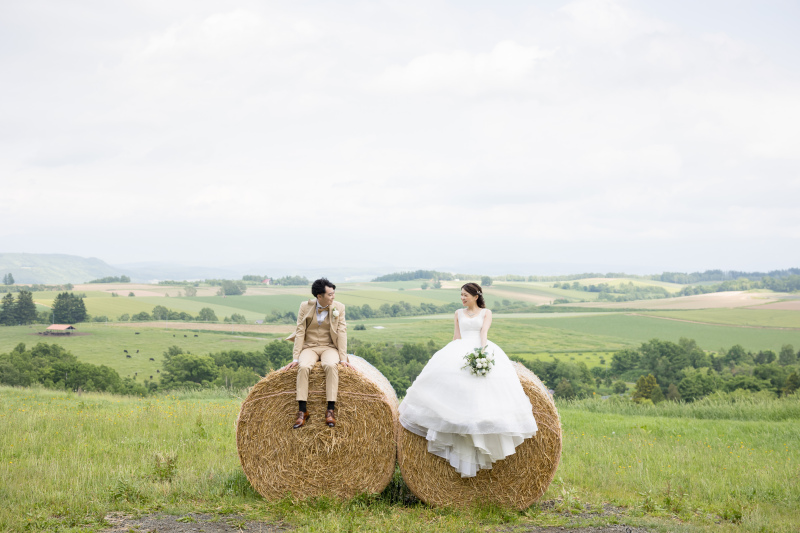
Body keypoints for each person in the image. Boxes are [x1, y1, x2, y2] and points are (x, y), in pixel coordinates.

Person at [399, 282, 538, 477]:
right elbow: (456, 336)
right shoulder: (458, 313)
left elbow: (483, 333)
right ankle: (454, 426)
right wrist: (449, 356)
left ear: (475, 296)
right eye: (461, 295)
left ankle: (481, 431)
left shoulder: (486, 313)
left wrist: (482, 354)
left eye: (465, 295)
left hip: (479, 348)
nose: (462, 298)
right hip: (460, 349)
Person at [285, 278, 351, 429]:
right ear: (319, 296)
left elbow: (342, 333)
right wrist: (295, 358)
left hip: (329, 347)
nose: (333, 296)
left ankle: (330, 410)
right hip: (309, 346)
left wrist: (343, 358)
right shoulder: (304, 306)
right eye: (330, 294)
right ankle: (302, 411)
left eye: (333, 293)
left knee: (331, 366)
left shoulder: (339, 307)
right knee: (303, 367)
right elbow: (300, 331)